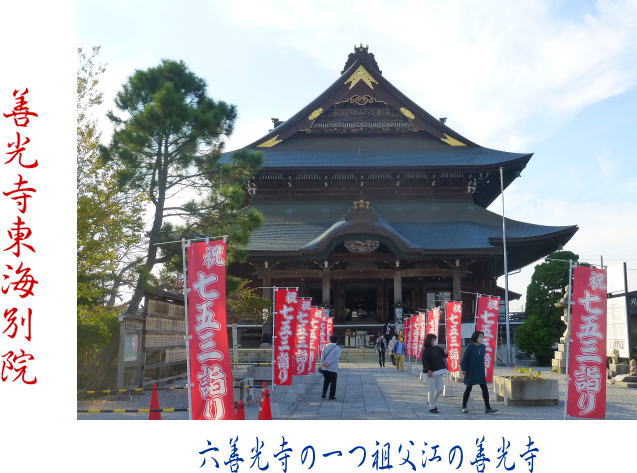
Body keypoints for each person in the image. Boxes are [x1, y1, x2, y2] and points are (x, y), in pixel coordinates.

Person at [460, 330, 497, 414]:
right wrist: (464, 369)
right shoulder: (470, 346)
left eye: (482, 337)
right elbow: (464, 359)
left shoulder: (483, 346)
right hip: (471, 371)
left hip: (480, 371)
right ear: (475, 337)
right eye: (480, 337)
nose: (482, 338)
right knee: (468, 388)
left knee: (485, 389)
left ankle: (488, 408)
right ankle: (464, 407)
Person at [421, 333, 448, 413]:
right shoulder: (425, 350)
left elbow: (444, 355)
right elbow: (425, 361)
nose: (435, 341)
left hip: (438, 371)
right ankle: (432, 407)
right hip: (430, 373)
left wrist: (446, 353)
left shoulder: (437, 348)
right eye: (433, 339)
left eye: (435, 339)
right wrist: (428, 369)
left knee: (440, 389)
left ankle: (431, 401)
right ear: (429, 340)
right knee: (431, 390)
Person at [320, 335, 341, 400]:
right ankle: (331, 395)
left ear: (330, 339)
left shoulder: (325, 346)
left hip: (325, 367)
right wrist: (329, 363)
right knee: (333, 382)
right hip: (333, 367)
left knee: (326, 381)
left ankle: (324, 393)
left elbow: (322, 355)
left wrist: (323, 363)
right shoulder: (337, 348)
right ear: (337, 340)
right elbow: (336, 358)